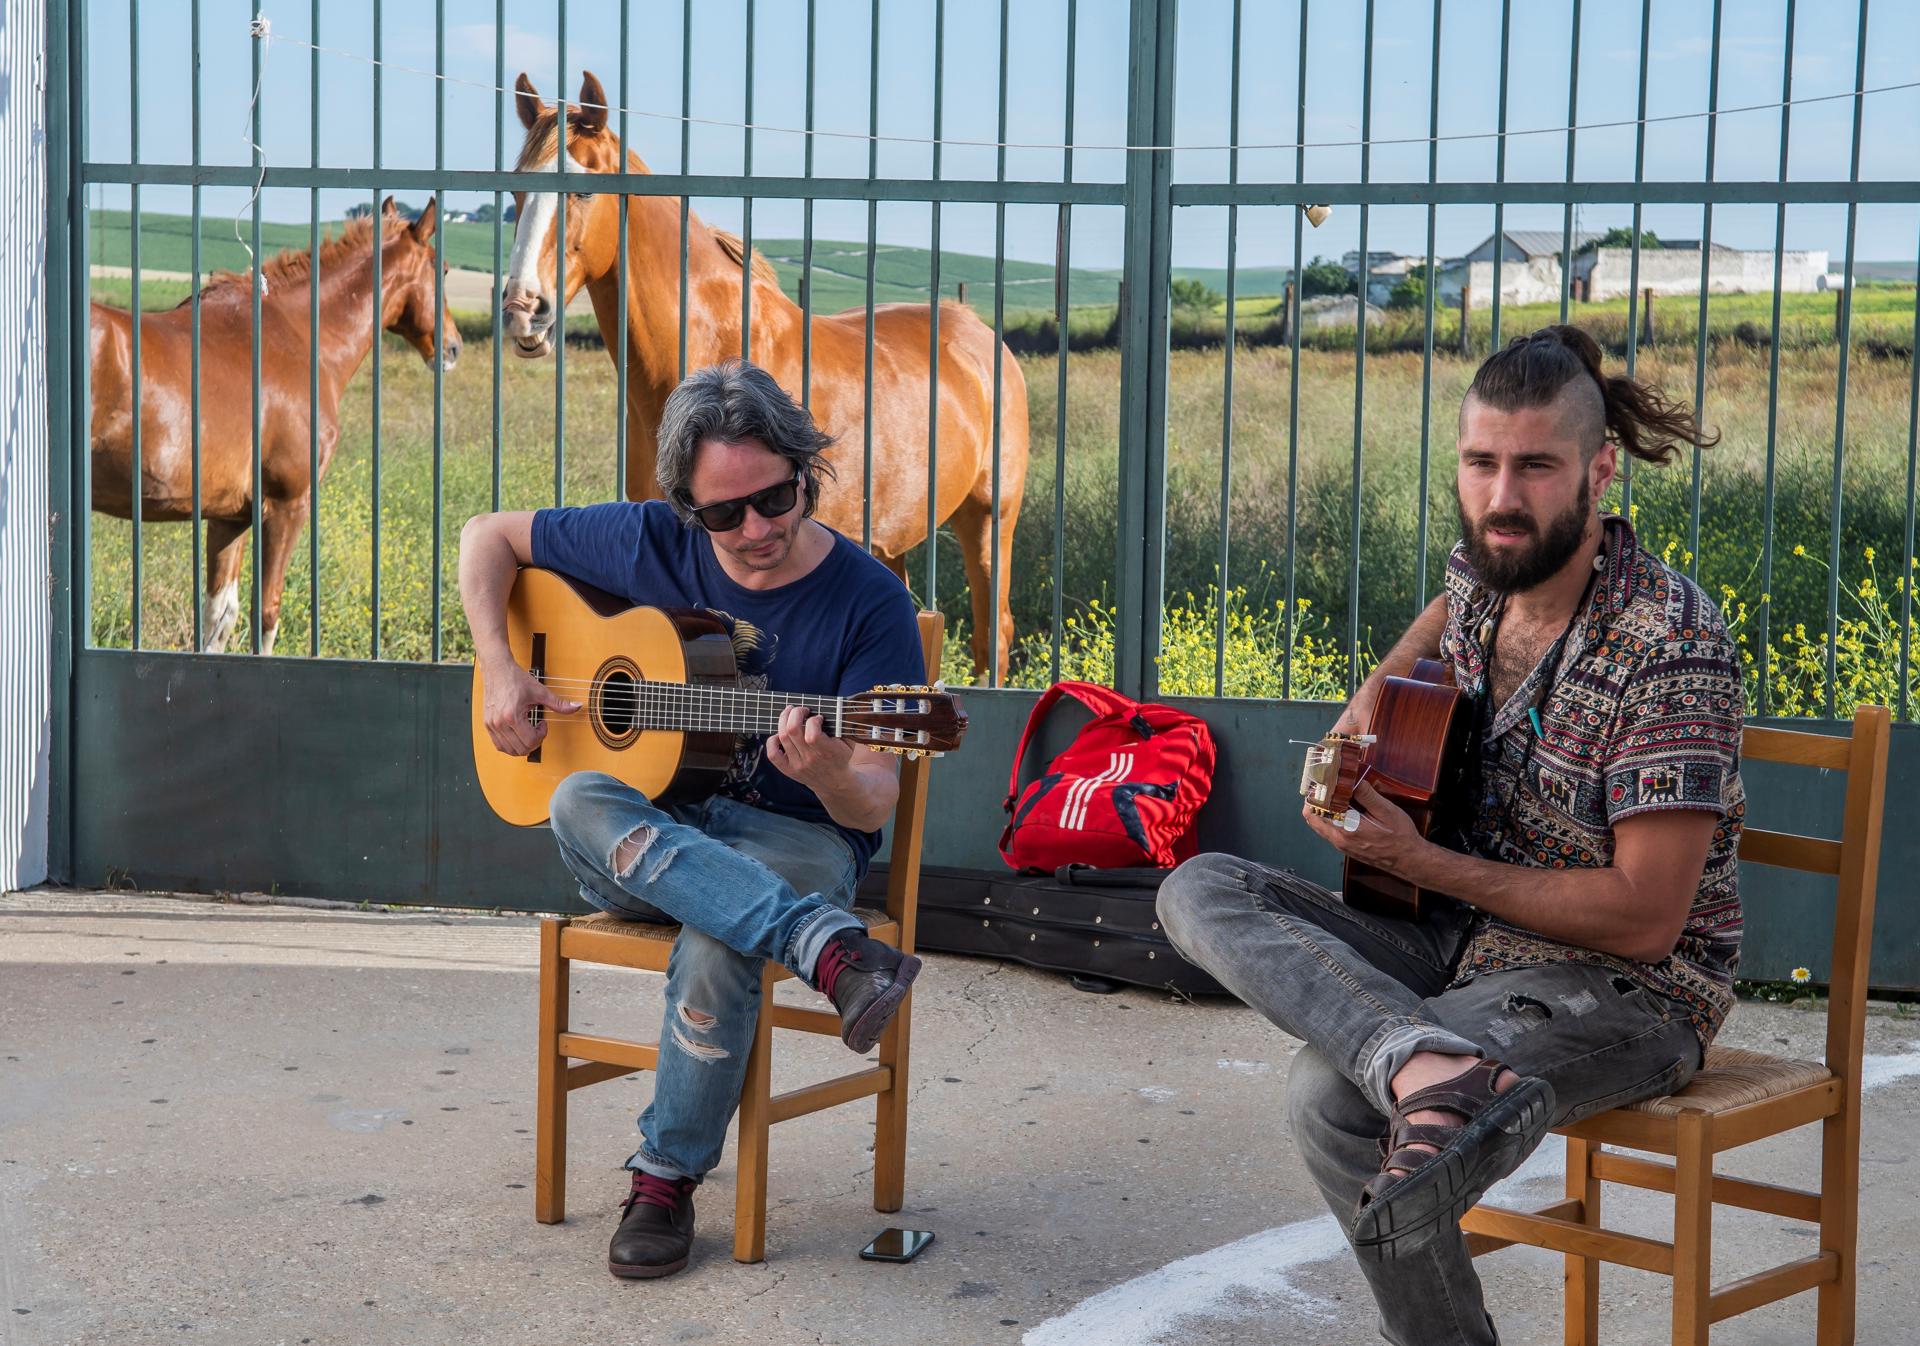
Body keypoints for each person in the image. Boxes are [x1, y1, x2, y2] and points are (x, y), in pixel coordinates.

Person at [1157, 325, 1744, 1345]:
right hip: (1460, 937)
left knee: (1327, 1099)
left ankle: (1423, 1091)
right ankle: (1427, 1064)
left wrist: (1420, 860)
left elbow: (1649, 919)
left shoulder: (1671, 641)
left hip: (1627, 988)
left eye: (1535, 466)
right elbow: (1444, 610)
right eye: (1480, 463)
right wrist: (1359, 722)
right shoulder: (1485, 577)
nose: (1501, 495)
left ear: (1599, 470)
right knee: (1197, 887)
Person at [460, 358, 929, 1280]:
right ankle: (828, 951)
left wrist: (834, 770)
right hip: (642, 840)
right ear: (684, 507)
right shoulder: (644, 542)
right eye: (724, 515)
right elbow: (486, 536)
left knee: (722, 936)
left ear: (804, 471)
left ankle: (664, 1180)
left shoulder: (872, 600)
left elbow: (876, 798)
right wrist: (498, 667)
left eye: (776, 498)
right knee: (574, 794)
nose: (756, 529)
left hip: (795, 837)